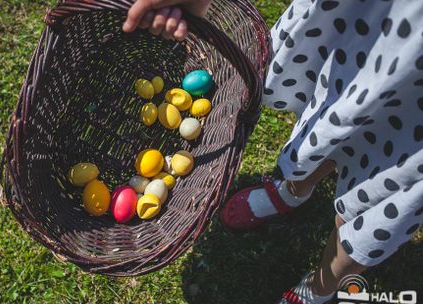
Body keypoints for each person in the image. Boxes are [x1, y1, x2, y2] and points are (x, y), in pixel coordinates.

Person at [123, 0, 423, 303]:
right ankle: (294, 190)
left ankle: (320, 288)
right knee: (337, 114)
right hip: (378, 18)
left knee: (382, 192)